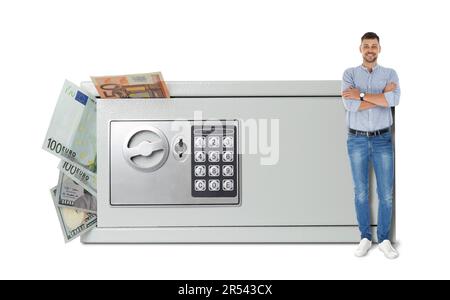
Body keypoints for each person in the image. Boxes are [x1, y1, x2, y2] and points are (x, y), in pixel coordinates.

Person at [341, 32, 400, 259]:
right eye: (366, 46)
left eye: (373, 46)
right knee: (361, 192)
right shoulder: (349, 74)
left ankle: (384, 239)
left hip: (382, 139)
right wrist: (379, 97)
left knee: (386, 193)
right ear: (360, 49)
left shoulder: (390, 74)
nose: (370, 50)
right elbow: (350, 104)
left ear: (379, 49)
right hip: (356, 139)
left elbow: (393, 101)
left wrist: (362, 95)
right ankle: (365, 237)